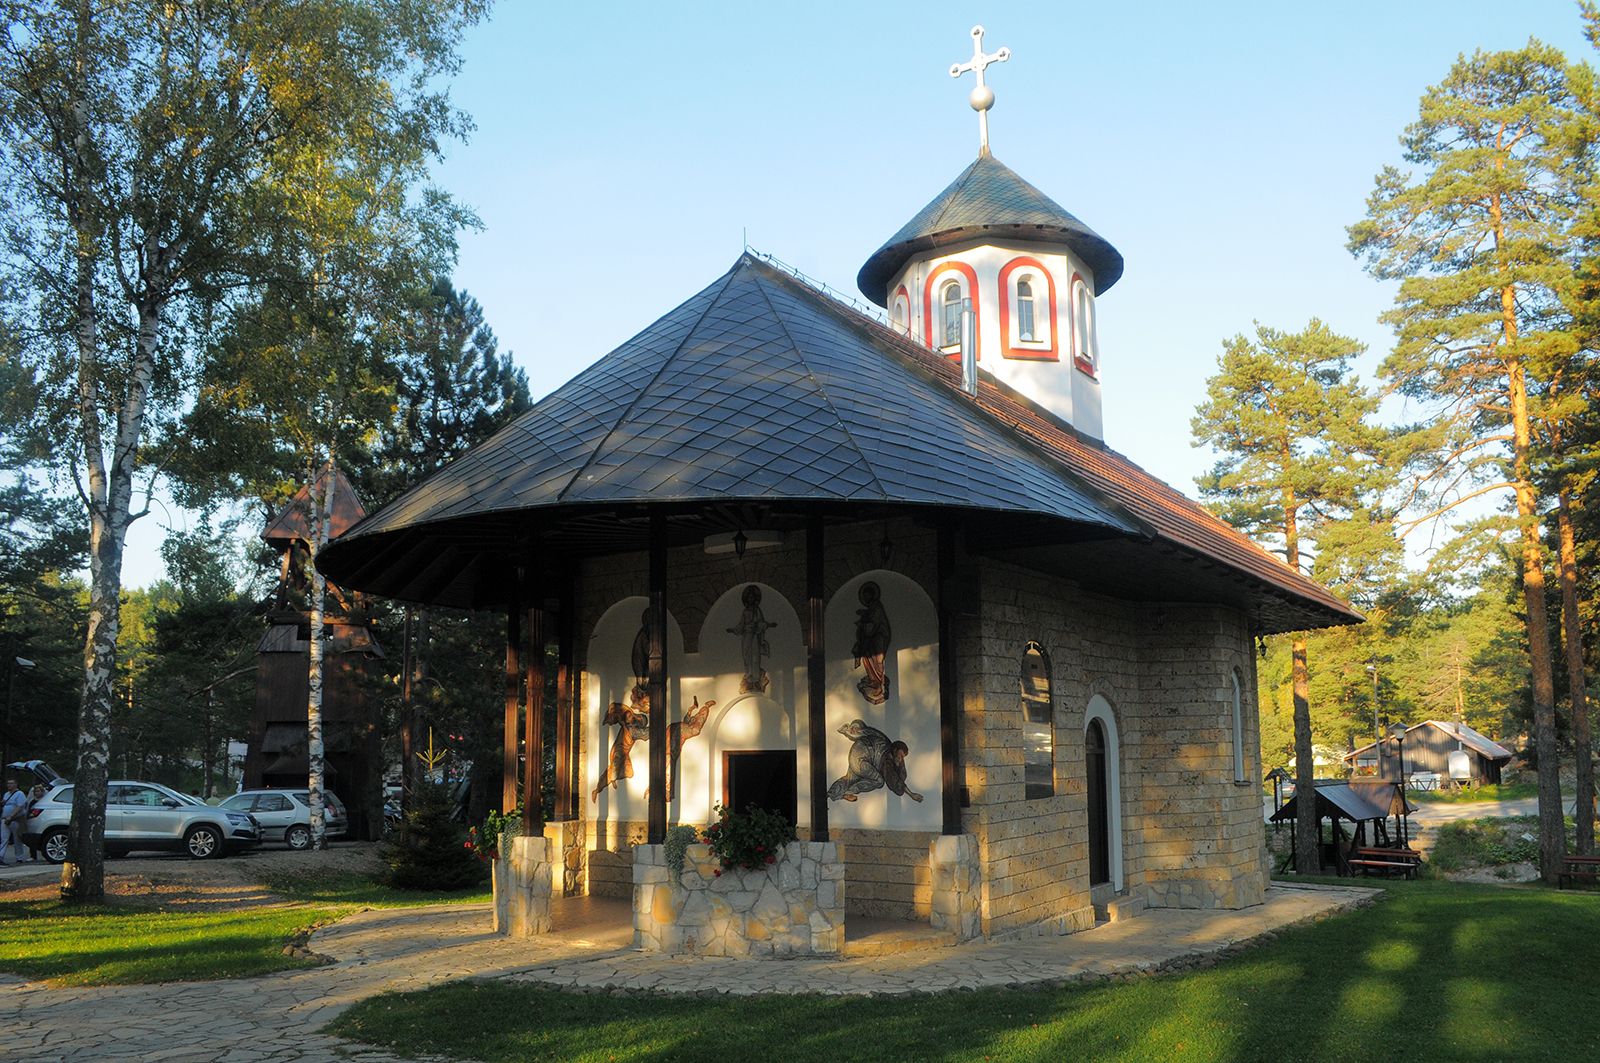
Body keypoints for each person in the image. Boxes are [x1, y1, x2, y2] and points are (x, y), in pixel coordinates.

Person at [1, 778, 29, 864]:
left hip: (15, 820)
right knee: (4, 839)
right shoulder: (6, 794)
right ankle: (1, 856)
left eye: (11, 783)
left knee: (17, 839)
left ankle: (19, 857)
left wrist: (11, 816)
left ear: (16, 784)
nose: (9, 785)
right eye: (8, 783)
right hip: (5, 820)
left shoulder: (19, 794)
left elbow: (19, 806)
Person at [25, 785, 46, 861]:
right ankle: (33, 856)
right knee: (32, 839)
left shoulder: (45, 801)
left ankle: (44, 855)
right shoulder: (32, 801)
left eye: (38, 791)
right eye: (35, 791)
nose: (36, 793)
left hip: (42, 821)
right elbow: (29, 810)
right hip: (33, 821)